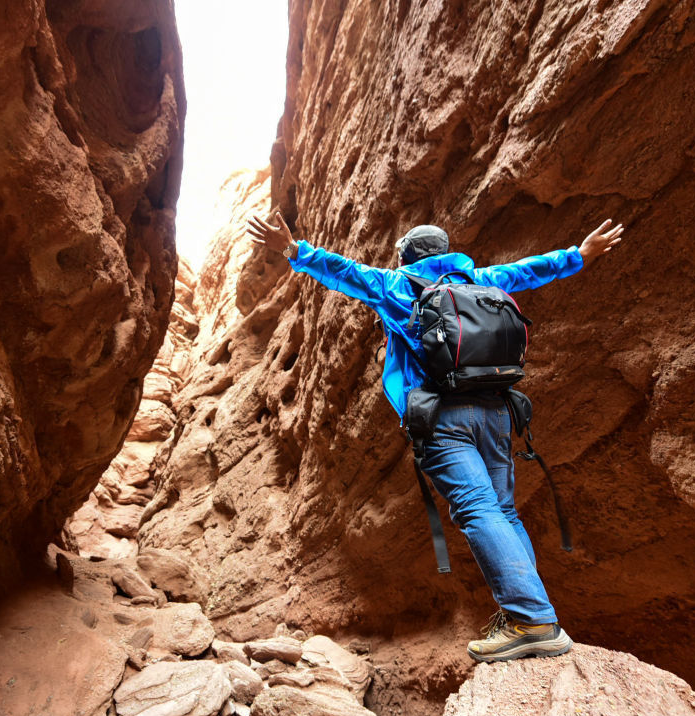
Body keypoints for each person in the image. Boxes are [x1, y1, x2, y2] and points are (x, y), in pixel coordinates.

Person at [246, 211, 623, 662]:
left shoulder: (397, 285)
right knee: (503, 510)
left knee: (477, 508)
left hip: (444, 417)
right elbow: (531, 269)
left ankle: (533, 620)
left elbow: (341, 270)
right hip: (498, 410)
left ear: (406, 255)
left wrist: (292, 249)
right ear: (445, 251)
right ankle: (530, 615)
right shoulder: (483, 279)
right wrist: (579, 254)